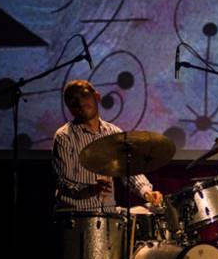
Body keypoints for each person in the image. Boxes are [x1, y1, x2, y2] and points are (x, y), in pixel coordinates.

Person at [52, 80, 163, 212]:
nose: (80, 103)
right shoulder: (64, 136)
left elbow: (129, 172)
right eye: (73, 100)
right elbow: (63, 182)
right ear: (68, 107)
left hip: (108, 215)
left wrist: (147, 193)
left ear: (97, 97)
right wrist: (90, 189)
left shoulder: (113, 133)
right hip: (76, 216)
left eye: (84, 95)